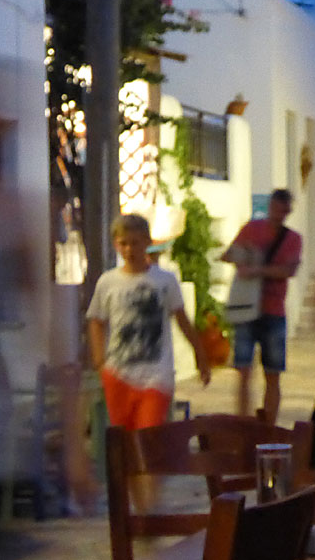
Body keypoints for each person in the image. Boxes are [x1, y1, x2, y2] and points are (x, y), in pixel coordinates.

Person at [87, 214, 210, 510]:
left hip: (156, 373)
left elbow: (182, 320)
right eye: (124, 243)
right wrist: (99, 358)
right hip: (119, 372)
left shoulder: (164, 281)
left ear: (147, 243)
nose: (130, 249)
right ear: (117, 245)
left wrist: (200, 354)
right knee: (127, 444)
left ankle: (148, 505)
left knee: (150, 438)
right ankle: (138, 504)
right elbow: (96, 320)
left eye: (136, 242)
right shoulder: (108, 282)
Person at [221, 189, 302, 423]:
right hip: (247, 308)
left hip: (273, 309)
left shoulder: (292, 238)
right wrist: (246, 255)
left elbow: (289, 270)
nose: (279, 213)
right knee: (244, 371)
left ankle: (269, 425)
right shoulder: (251, 229)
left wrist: (256, 269)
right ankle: (244, 422)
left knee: (273, 374)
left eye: (283, 209)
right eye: (276, 208)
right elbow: (228, 254)